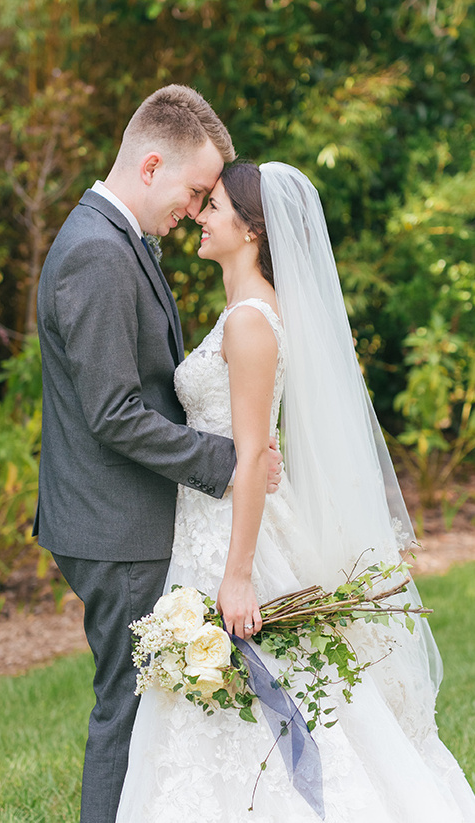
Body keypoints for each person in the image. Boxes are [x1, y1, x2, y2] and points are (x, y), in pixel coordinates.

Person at [115, 162, 475, 822]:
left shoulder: (250, 321)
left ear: (252, 229)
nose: (201, 214)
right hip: (205, 529)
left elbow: (252, 456)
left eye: (214, 205)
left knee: (271, 698)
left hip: (233, 539)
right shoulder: (241, 314)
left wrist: (240, 576)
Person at [33, 86, 282, 823]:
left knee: (150, 709)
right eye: (195, 190)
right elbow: (114, 412)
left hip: (126, 513)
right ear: (150, 166)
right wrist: (228, 461)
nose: (198, 208)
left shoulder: (115, 241)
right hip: (116, 525)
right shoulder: (99, 255)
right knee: (129, 709)